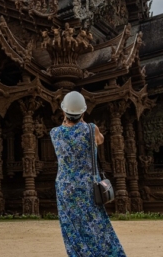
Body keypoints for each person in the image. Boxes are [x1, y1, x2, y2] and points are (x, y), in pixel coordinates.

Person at [49, 91, 126, 257]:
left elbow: (65, 129)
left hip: (65, 187)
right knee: (96, 224)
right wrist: (84, 123)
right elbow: (101, 140)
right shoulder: (91, 130)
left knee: (71, 228)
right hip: (87, 186)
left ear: (64, 111)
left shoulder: (54, 134)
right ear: (83, 112)